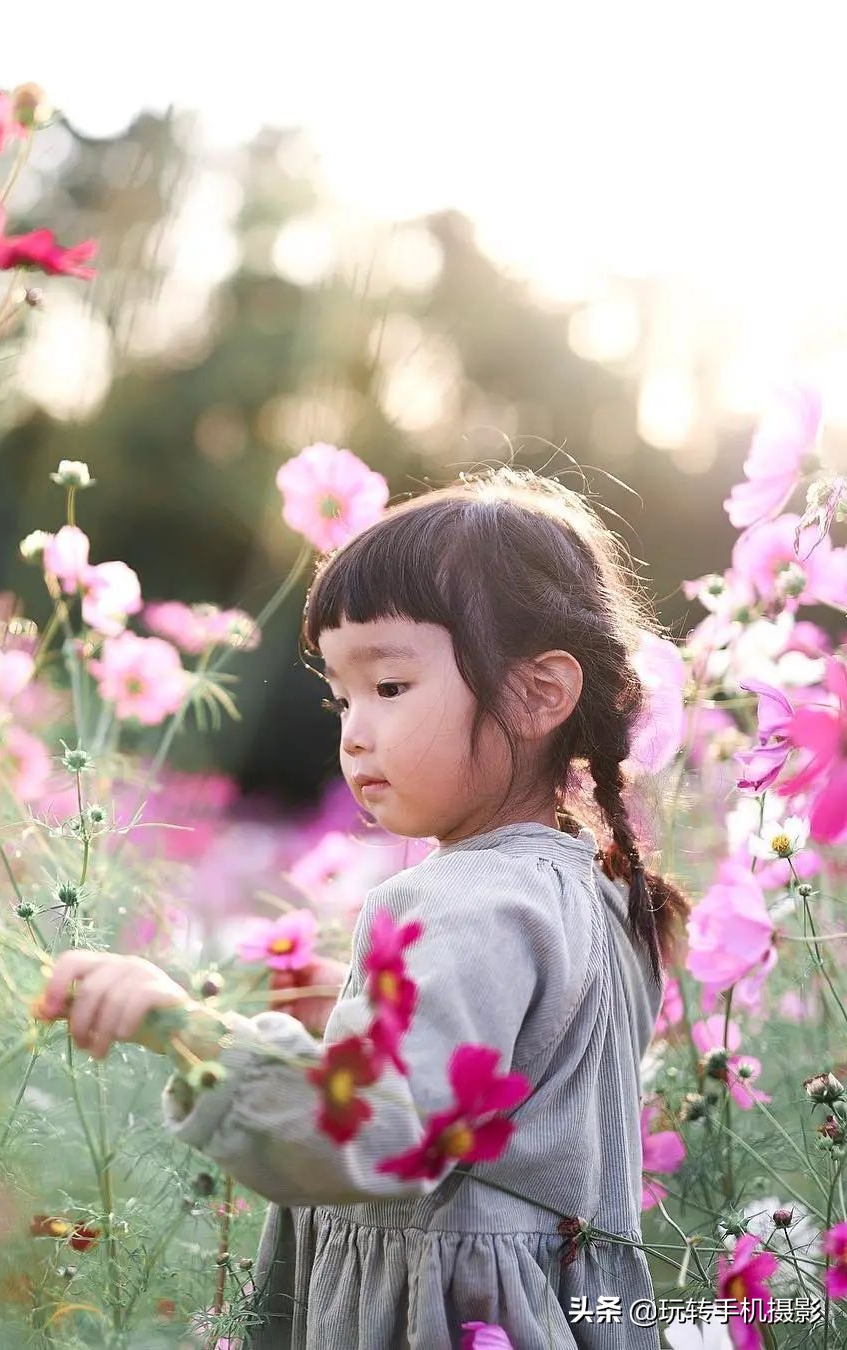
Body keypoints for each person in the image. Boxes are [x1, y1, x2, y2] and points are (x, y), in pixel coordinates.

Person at [38, 467, 692, 1348]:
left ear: (540, 694)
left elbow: (382, 1134)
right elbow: (517, 1082)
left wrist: (184, 1028)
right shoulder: (597, 883)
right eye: (340, 695)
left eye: (388, 687)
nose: (351, 730)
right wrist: (358, 1012)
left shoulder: (468, 901)